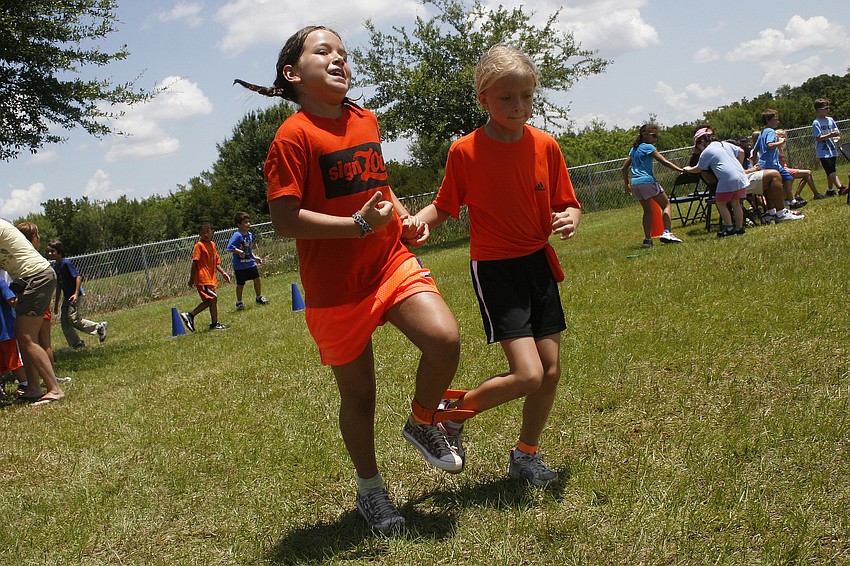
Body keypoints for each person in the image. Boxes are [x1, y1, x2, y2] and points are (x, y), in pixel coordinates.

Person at [236, 25, 463, 532]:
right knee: (360, 397)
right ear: (293, 74)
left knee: (445, 339)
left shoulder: (365, 118)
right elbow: (284, 220)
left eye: (343, 52)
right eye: (324, 52)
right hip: (335, 290)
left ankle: (424, 422)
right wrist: (358, 225)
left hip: (388, 263)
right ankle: (371, 491)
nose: (338, 59)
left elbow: (378, 182)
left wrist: (401, 220)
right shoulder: (291, 137)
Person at [414, 45, 581, 488]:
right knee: (527, 373)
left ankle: (526, 455)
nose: (519, 106)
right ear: (483, 98)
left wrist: (571, 216)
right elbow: (444, 206)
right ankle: (451, 414)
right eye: (507, 97)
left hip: (538, 266)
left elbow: (568, 200)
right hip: (496, 269)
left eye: (526, 96)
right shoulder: (465, 151)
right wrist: (417, 224)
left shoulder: (546, 145)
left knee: (550, 372)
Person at [0, 218, 64, 406]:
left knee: (27, 337)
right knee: (24, 337)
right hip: (32, 278)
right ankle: (33, 388)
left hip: (35, 278)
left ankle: (54, 389)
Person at [16, 222, 69, 393]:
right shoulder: (31, 257)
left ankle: (41, 383)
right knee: (43, 341)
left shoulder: (16, 255)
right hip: (36, 302)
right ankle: (51, 380)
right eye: (37, 236)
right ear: (33, 238)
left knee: (30, 340)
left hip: (26, 300)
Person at [620, 123, 684, 248]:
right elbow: (663, 161)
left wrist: (626, 185)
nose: (655, 139)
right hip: (647, 181)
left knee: (647, 211)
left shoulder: (634, 149)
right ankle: (667, 232)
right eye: (654, 136)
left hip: (635, 183)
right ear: (644, 134)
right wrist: (680, 169)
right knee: (666, 204)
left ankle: (647, 240)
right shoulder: (648, 147)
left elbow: (623, 168)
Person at [684, 129, 748, 236]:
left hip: (727, 179)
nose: (699, 148)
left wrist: (687, 169)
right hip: (740, 176)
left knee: (720, 203)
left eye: (699, 145)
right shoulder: (725, 144)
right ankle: (740, 229)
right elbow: (741, 151)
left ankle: (729, 229)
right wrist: (739, 166)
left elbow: (698, 169)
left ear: (703, 142)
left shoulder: (707, 151)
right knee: (736, 203)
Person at [46, 240, 108, 348]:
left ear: (60, 252)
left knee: (73, 319)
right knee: (65, 322)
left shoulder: (66, 263)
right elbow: (59, 286)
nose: (50, 253)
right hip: (67, 296)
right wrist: (56, 305)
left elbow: (78, 277)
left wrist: (75, 293)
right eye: (48, 251)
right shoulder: (56, 267)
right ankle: (76, 343)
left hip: (75, 295)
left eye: (52, 251)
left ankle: (99, 327)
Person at [181, 222, 231, 332]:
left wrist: (224, 273)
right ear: (199, 234)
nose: (205, 235)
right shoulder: (199, 245)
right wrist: (191, 278)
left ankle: (210, 322)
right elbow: (195, 262)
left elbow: (216, 262)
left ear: (212, 231)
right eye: (202, 233)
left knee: (211, 301)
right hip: (202, 278)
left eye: (207, 232)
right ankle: (192, 315)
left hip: (210, 279)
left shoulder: (212, 245)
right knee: (212, 299)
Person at [752, 109, 806, 209]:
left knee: (787, 178)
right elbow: (770, 145)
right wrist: (781, 142)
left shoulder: (762, 132)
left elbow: (755, 150)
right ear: (768, 120)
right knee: (778, 184)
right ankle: (784, 203)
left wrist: (754, 164)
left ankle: (791, 201)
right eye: (775, 119)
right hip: (771, 164)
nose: (778, 121)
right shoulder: (771, 132)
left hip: (766, 163)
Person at [226, 211, 268, 311]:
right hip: (240, 265)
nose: (248, 224)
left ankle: (259, 297)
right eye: (245, 222)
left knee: (257, 279)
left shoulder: (249, 235)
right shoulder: (237, 235)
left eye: (248, 222)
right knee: (241, 284)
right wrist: (239, 251)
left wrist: (255, 257)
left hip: (250, 263)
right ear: (239, 225)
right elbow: (230, 248)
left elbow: (248, 250)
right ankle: (239, 302)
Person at [811, 98, 848, 197]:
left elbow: (836, 131)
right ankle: (841, 188)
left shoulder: (830, 120)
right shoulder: (816, 123)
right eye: (826, 108)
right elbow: (817, 138)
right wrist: (830, 135)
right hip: (823, 152)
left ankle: (830, 190)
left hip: (832, 149)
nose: (828, 110)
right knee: (831, 171)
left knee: (830, 171)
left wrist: (837, 136)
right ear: (819, 110)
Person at [774, 129, 822, 202]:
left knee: (807, 174)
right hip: (782, 169)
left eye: (785, 137)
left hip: (786, 168)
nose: (785, 139)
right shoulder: (776, 148)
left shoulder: (781, 148)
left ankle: (797, 195)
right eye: (782, 137)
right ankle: (816, 194)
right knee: (807, 173)